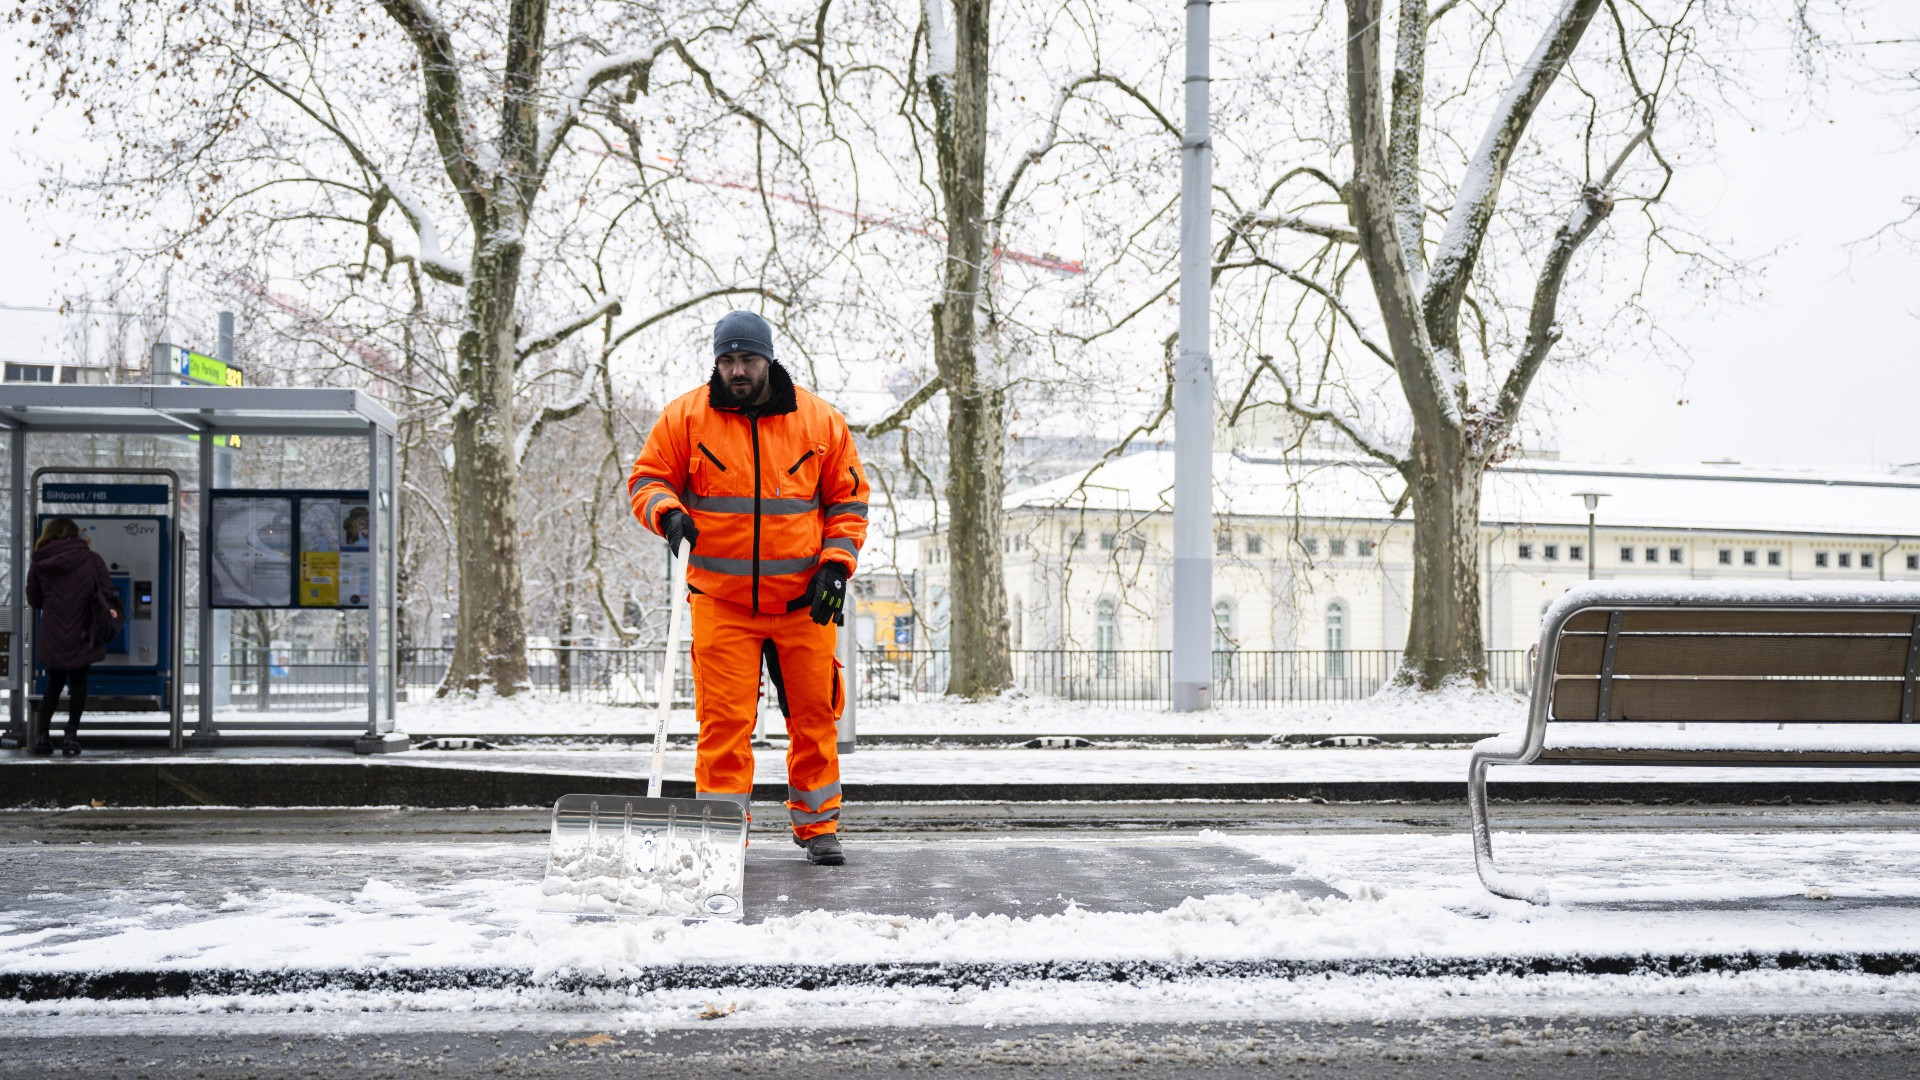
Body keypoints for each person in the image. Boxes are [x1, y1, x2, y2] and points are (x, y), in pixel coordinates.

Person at [628, 311, 869, 866]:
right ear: (716, 360)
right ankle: (719, 833)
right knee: (724, 725)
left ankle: (818, 826)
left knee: (813, 717)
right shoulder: (686, 418)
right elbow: (647, 478)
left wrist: (836, 564)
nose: (737, 371)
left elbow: (848, 501)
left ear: (769, 360)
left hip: (803, 601)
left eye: (748, 360)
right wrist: (666, 513)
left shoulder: (820, 422)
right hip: (721, 602)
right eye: (728, 360)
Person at [25, 517, 116, 757]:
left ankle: (42, 737)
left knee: (53, 684)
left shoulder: (40, 562)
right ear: (75, 535)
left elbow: (34, 600)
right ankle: (70, 737)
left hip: (53, 631)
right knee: (79, 683)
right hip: (84, 629)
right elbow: (107, 593)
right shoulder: (92, 559)